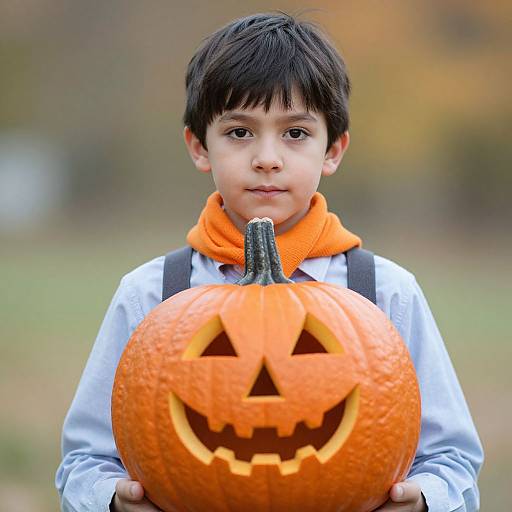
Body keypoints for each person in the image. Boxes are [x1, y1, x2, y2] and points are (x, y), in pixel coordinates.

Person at [55, 12, 483, 512]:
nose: (267, 158)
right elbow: (84, 461)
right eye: (239, 132)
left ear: (333, 150)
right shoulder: (152, 294)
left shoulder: (384, 292)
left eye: (295, 133)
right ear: (199, 146)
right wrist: (111, 499)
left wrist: (424, 499)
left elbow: (452, 458)